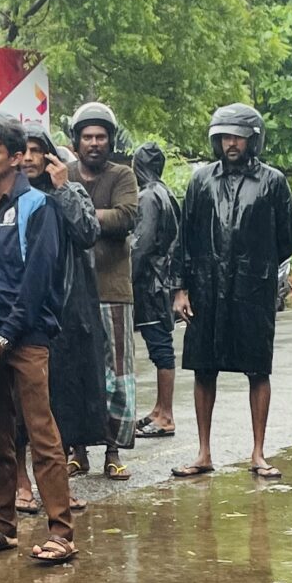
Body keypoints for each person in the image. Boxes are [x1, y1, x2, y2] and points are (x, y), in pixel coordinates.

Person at [0, 111, 76, 565]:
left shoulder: (39, 207)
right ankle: (3, 528)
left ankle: (62, 532)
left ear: (14, 157)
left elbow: (39, 279)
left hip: (27, 337)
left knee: (42, 433)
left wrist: (7, 335)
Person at [171, 103, 292, 480]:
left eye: (238, 137)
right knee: (203, 367)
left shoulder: (273, 182)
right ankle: (204, 452)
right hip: (206, 287)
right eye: (225, 136)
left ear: (253, 140)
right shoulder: (201, 181)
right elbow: (185, 236)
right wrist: (181, 288)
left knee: (258, 368)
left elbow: (288, 238)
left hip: (251, 290)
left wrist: (258, 266)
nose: (231, 143)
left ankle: (258, 452)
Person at [26, 124, 108, 491]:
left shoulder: (70, 190)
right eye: (24, 151)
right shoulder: (8, 195)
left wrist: (62, 189)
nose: (29, 158)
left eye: (36, 150)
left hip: (66, 309)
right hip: (21, 308)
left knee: (63, 397)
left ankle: (58, 485)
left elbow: (88, 233)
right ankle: (23, 485)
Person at [70, 101, 141, 477]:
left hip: (113, 290)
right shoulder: (64, 174)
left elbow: (125, 216)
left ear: (110, 141)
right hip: (71, 291)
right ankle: (77, 451)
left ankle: (113, 452)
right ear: (77, 141)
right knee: (76, 370)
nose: (94, 143)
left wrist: (78, 214)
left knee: (117, 374)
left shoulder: (123, 175)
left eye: (100, 137)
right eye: (87, 137)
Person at [129, 141, 180, 439]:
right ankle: (160, 410)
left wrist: (128, 276)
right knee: (161, 345)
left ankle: (166, 415)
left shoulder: (148, 196)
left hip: (151, 283)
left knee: (160, 347)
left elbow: (142, 243)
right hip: (163, 279)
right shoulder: (166, 192)